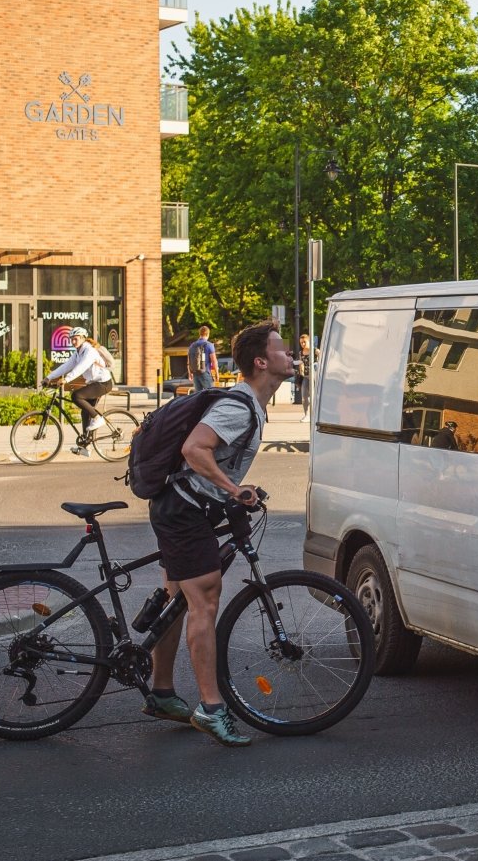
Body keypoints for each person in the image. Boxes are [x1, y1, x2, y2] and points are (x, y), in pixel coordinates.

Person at [142, 319, 295, 747]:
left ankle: (161, 692)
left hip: (187, 506)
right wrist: (233, 488)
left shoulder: (253, 404)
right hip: (183, 510)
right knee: (204, 599)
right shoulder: (240, 406)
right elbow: (194, 449)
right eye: (282, 349)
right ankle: (211, 708)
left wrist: (229, 492)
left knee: (178, 599)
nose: (291, 355)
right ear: (262, 362)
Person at [44, 326, 113, 457]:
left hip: (103, 383)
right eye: (71, 339)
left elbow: (82, 367)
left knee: (76, 396)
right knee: (85, 412)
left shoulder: (90, 351)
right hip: (94, 383)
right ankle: (86, 446)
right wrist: (49, 377)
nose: (73, 342)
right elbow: (66, 366)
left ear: (82, 338)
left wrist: (67, 379)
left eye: (75, 339)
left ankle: (98, 418)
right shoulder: (77, 353)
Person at [297, 333, 321, 422]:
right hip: (306, 377)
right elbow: (301, 363)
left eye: (304, 342)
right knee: (304, 397)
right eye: (301, 343)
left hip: (315, 377)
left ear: (309, 341)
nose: (302, 344)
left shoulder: (315, 351)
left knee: (315, 396)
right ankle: (307, 415)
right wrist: (301, 372)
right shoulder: (301, 352)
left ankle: (316, 415)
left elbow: (322, 360)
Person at [187, 325, 218, 392]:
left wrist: (190, 373)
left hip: (195, 374)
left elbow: (188, 360)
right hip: (205, 373)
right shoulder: (209, 345)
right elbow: (214, 361)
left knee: (198, 396)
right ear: (207, 334)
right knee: (211, 394)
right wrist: (217, 373)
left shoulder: (192, 345)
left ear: (200, 333)